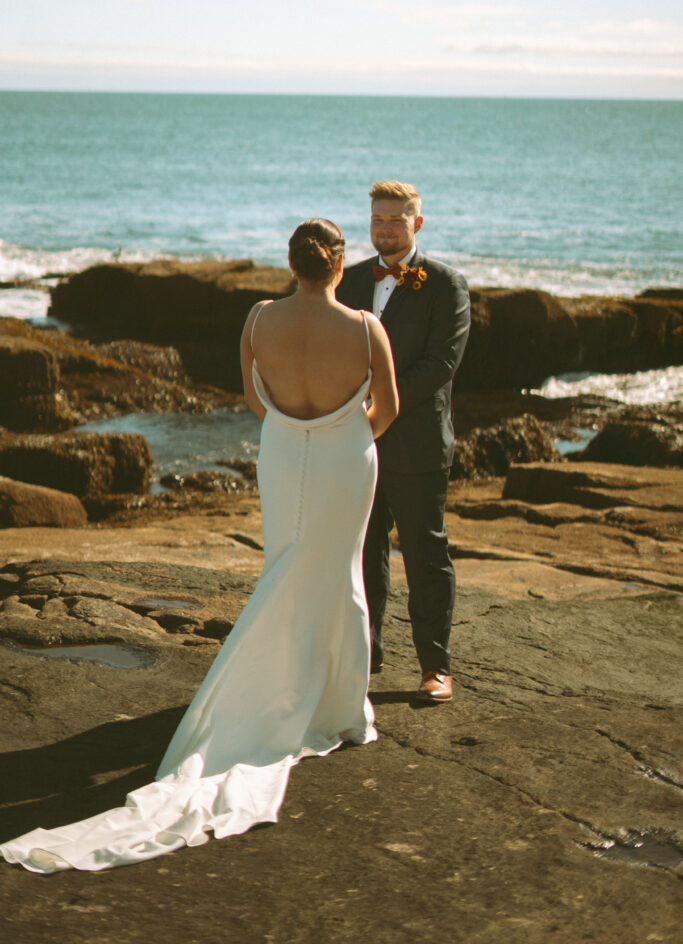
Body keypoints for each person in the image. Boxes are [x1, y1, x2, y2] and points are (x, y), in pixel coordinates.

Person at [0, 219, 398, 873]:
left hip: (279, 451)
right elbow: (387, 408)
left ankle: (287, 685)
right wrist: (339, 434)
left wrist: (297, 433)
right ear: (338, 265)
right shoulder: (363, 327)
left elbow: (253, 398)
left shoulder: (258, 317)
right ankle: (339, 710)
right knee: (337, 572)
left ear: (292, 263)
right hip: (344, 459)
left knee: (284, 564)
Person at [336, 181, 470, 703]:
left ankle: (436, 667)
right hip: (357, 443)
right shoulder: (345, 283)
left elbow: (441, 364)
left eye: (396, 220)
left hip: (417, 445)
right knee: (364, 552)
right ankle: (367, 654)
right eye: (377, 220)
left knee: (425, 554)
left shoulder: (447, 285)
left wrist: (380, 408)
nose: (385, 229)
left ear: (418, 224)